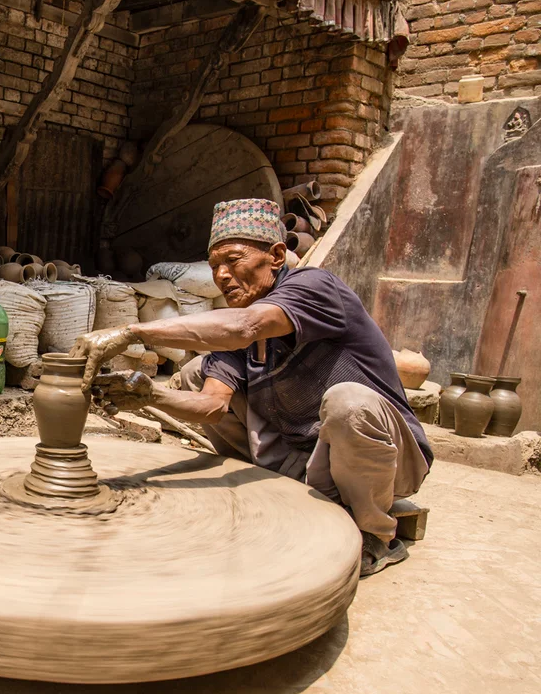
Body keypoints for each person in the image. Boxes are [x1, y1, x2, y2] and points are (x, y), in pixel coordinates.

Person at [71, 198, 432, 578]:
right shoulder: (240, 332)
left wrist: (132, 332)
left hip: (392, 459)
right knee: (196, 372)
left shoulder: (315, 287)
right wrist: (149, 396)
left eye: (233, 260)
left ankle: (376, 534)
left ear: (276, 256)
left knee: (349, 402)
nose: (222, 275)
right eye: (214, 267)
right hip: (310, 458)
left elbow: (244, 326)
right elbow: (212, 406)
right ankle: (282, 493)